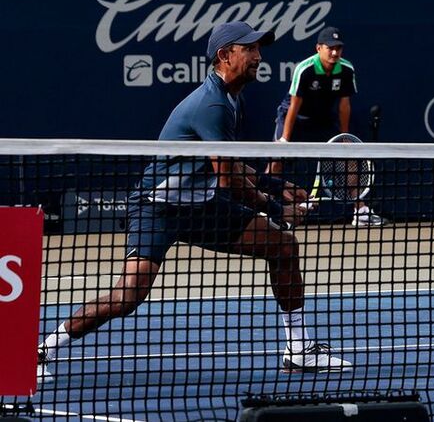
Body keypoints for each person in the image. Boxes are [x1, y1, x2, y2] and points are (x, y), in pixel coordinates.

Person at [37, 21, 351, 383]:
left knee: (282, 246)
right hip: (159, 208)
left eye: (258, 49)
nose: (258, 56)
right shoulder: (213, 104)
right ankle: (43, 348)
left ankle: (299, 350)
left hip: (201, 206)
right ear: (224, 55)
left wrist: (272, 182)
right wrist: (276, 207)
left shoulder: (233, 97)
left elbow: (228, 164)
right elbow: (228, 179)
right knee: (128, 296)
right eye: (249, 49)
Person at [271, 26, 384, 227]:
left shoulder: (346, 69)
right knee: (276, 160)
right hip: (295, 117)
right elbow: (294, 105)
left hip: (323, 119)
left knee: (350, 159)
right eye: (330, 48)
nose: (334, 52)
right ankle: (266, 209)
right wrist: (285, 140)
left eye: (338, 48)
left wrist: (344, 136)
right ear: (318, 48)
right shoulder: (304, 69)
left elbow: (344, 105)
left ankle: (361, 211)